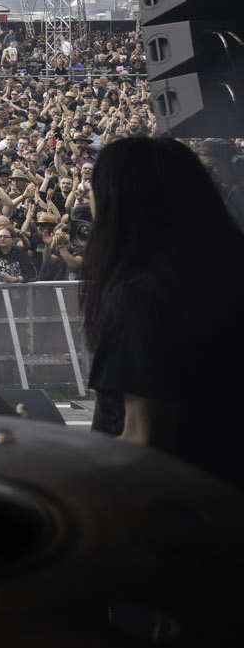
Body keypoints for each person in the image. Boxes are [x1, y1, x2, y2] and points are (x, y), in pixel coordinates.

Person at [82, 137, 244, 491]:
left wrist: (50, 454)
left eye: (94, 188)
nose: (88, 200)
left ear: (119, 201)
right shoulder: (220, 272)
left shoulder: (143, 296)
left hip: (188, 520)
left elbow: (145, 440)